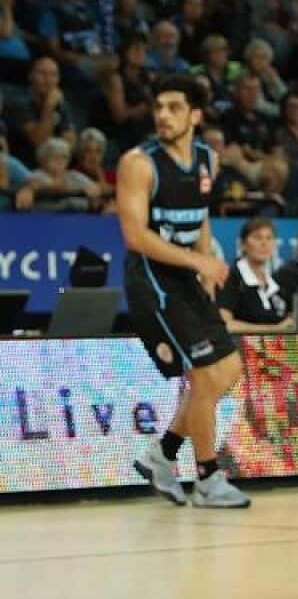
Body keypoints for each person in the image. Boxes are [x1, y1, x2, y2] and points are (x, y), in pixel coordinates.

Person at [119, 74, 250, 508]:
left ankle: (163, 455)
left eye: (174, 107)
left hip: (188, 277)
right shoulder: (139, 163)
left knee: (227, 370)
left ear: (195, 115)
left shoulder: (207, 159)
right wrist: (199, 261)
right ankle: (209, 478)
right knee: (204, 377)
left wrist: (205, 263)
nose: (163, 115)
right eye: (159, 107)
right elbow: (135, 236)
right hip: (151, 281)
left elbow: (200, 216)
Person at [217, 217, 292, 333]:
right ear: (243, 244)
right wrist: (273, 329)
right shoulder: (232, 277)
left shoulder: (276, 282)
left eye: (269, 238)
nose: (264, 243)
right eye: (257, 237)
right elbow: (224, 324)